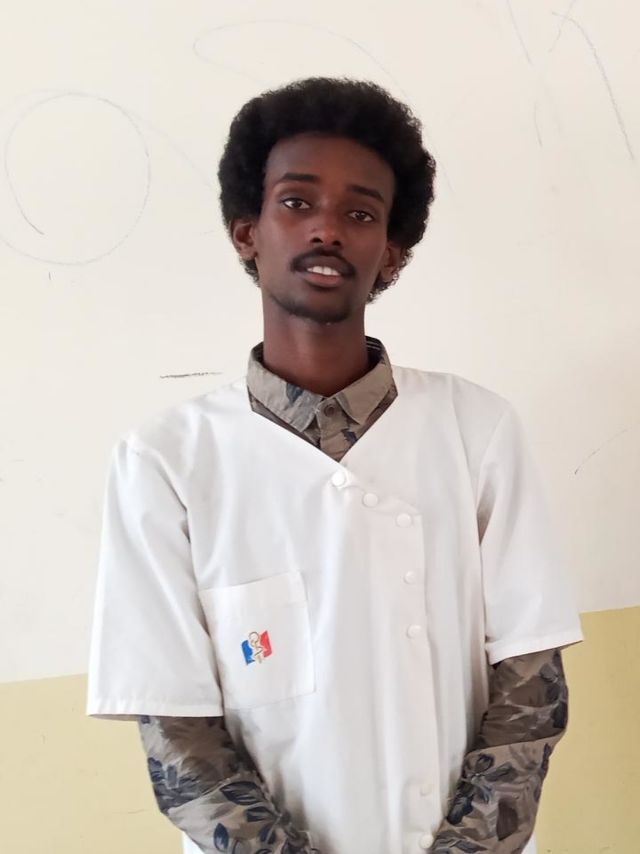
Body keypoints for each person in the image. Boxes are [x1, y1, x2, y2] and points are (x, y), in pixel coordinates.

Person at [87, 77, 584, 854]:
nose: (327, 228)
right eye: (297, 202)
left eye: (360, 213)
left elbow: (531, 692)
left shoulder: (477, 430)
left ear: (391, 252)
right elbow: (180, 740)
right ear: (246, 231)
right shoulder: (166, 462)